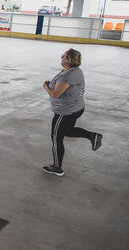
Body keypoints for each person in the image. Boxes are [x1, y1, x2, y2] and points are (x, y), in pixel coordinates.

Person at [42, 48, 103, 176]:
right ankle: (92, 136)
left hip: (65, 112)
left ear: (69, 60)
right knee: (66, 131)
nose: (61, 58)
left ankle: (57, 167)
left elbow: (55, 94)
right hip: (76, 108)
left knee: (56, 138)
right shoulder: (74, 71)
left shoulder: (68, 75)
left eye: (63, 56)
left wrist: (46, 87)